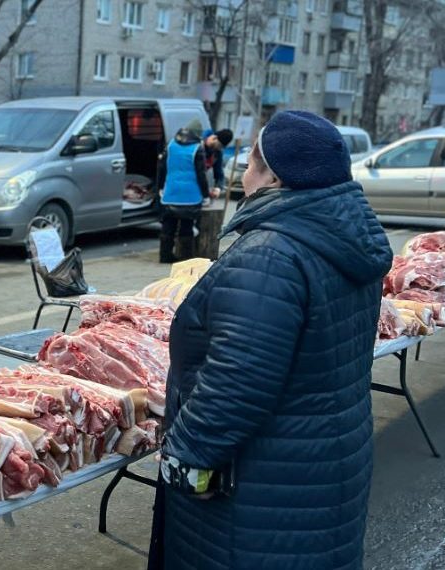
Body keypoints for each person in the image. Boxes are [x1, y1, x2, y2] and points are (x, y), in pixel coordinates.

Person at [148, 111, 393, 570]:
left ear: (274, 176)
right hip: (324, 464)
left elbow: (237, 383)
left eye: (249, 162)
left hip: (260, 481)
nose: (242, 172)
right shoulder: (344, 237)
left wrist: (185, 456)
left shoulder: (270, 254)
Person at [157, 127, 212, 263]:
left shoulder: (170, 146)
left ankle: (165, 256)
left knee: (168, 227)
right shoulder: (197, 148)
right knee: (187, 227)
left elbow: (162, 169)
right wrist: (206, 195)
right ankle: (186, 258)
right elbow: (201, 174)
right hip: (191, 195)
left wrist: (160, 187)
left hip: (171, 192)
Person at [202, 128, 234, 196]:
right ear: (214, 138)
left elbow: (219, 174)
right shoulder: (198, 146)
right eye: (219, 145)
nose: (219, 148)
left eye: (222, 147)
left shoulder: (217, 153)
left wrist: (218, 188)